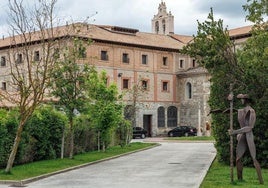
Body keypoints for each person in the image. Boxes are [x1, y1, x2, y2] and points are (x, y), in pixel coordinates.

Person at [229, 94, 263, 184]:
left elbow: (249, 127)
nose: (241, 101)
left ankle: (261, 181)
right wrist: (230, 101)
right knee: (238, 158)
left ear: (246, 100)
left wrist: (235, 132)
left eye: (242, 99)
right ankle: (240, 179)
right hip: (242, 136)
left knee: (253, 158)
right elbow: (231, 111)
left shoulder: (251, 111)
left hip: (248, 136)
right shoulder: (241, 110)